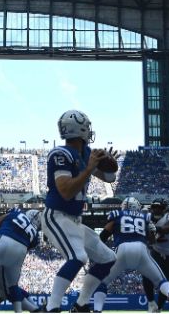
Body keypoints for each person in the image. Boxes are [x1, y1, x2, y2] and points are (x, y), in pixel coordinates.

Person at [41, 110, 119, 312]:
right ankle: (52, 307)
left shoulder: (86, 153)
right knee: (78, 257)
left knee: (108, 258)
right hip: (56, 216)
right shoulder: (60, 154)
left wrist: (110, 164)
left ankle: (81, 305)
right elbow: (66, 191)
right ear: (82, 129)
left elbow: (109, 178)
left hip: (74, 221)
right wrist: (88, 169)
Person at [74, 198, 169, 313]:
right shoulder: (144, 218)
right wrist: (152, 231)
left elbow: (103, 236)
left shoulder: (117, 215)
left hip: (121, 249)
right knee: (161, 280)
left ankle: (97, 310)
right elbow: (152, 241)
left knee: (102, 282)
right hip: (141, 249)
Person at [142, 199, 169, 313]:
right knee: (146, 275)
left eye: (159, 207)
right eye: (154, 206)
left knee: (167, 282)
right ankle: (151, 303)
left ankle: (159, 308)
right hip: (157, 252)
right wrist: (148, 230)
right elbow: (151, 241)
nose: (156, 209)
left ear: (164, 208)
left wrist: (156, 228)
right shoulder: (148, 218)